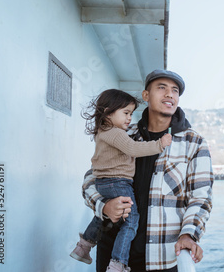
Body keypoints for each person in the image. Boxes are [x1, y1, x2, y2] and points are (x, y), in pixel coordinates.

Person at [82, 69, 214, 272]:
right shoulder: (124, 134)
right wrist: (104, 206)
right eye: (162, 88)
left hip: (162, 257)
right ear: (146, 96)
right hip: (113, 256)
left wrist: (189, 234)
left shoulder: (194, 143)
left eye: (175, 90)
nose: (169, 94)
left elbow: (201, 197)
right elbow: (92, 178)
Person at [70, 89, 173, 272]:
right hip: (117, 182)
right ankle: (118, 264)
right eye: (126, 113)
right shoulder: (116, 133)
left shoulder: (103, 132)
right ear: (108, 112)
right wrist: (159, 144)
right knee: (131, 221)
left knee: (103, 216)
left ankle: (83, 247)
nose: (129, 118)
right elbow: (133, 149)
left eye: (131, 114)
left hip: (104, 183)